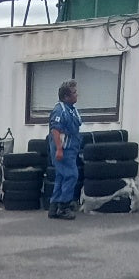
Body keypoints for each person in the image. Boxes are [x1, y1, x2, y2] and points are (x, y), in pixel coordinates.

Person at [48, 80, 83, 220]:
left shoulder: (72, 109)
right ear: (66, 96)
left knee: (61, 176)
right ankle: (64, 207)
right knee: (72, 175)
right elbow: (55, 130)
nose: (77, 95)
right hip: (64, 149)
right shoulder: (60, 110)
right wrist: (59, 149)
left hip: (71, 149)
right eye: (74, 93)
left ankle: (54, 206)